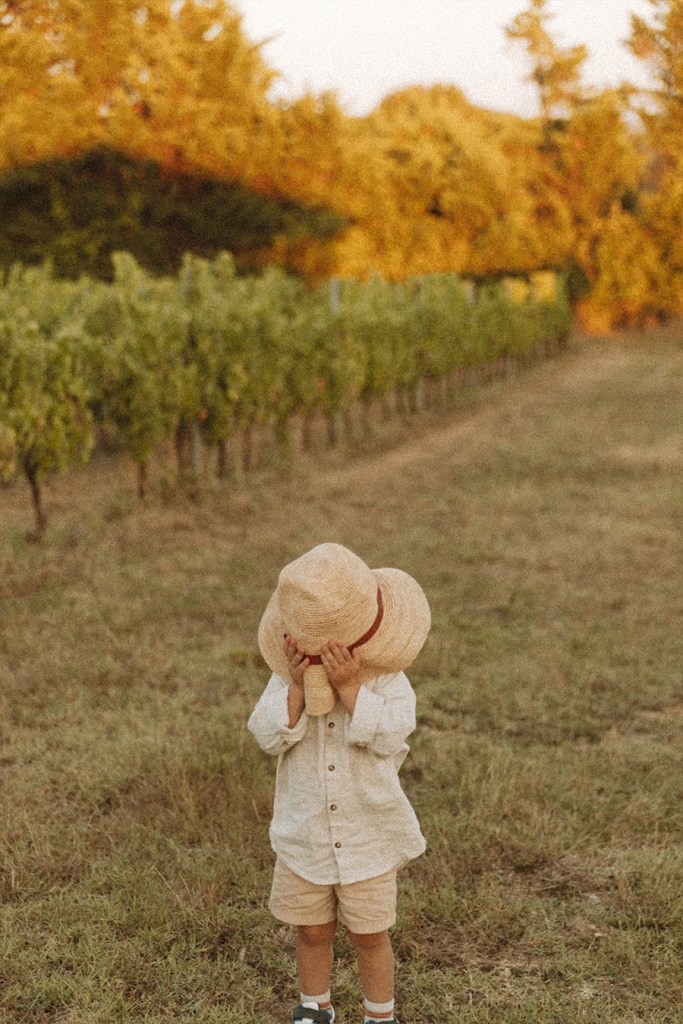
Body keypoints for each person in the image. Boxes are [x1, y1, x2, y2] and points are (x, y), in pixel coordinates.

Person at [248, 542, 431, 1024]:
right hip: (305, 834)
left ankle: (379, 1015)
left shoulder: (386, 678)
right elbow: (267, 735)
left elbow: (392, 733)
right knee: (310, 930)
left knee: (369, 934)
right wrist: (296, 688)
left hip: (368, 834)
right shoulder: (284, 678)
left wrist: (350, 689)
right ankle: (315, 1008)